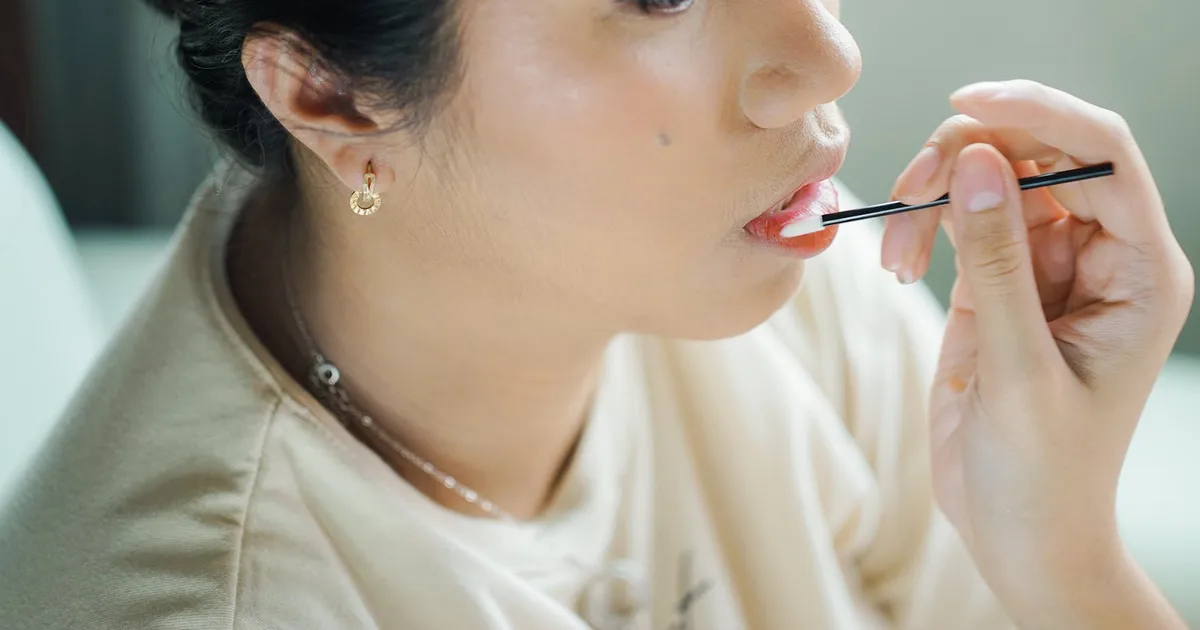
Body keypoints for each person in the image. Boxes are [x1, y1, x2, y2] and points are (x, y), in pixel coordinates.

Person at [0, 0, 1192, 628]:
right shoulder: (211, 604)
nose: (827, 57)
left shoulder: (757, 275)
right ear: (330, 90)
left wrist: (1065, 561)